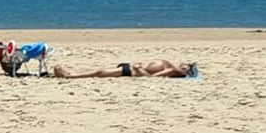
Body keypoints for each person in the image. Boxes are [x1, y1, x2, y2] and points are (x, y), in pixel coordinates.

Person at [51, 59, 196, 78]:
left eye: (187, 66)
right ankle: (71, 74)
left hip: (132, 72)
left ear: (185, 71)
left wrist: (137, 69)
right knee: (100, 71)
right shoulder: (171, 65)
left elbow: (152, 78)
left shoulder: (172, 70)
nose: (184, 63)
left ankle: (69, 76)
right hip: (132, 68)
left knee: (99, 73)